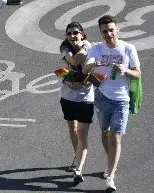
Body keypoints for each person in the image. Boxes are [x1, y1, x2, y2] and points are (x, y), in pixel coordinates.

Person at [85, 15, 142, 193]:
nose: (108, 34)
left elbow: (138, 73)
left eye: (111, 30)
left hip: (121, 100)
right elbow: (85, 69)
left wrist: (125, 70)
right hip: (102, 98)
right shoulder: (96, 49)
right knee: (105, 134)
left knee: (115, 136)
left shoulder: (128, 48)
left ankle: (110, 176)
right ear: (101, 33)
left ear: (117, 29)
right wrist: (92, 64)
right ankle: (112, 162)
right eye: (104, 31)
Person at [58, 22, 94, 185]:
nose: (72, 36)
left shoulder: (90, 47)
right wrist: (81, 47)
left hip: (85, 95)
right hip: (67, 93)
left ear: (82, 33)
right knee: (71, 127)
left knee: (82, 131)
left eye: (75, 33)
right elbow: (73, 60)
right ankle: (77, 156)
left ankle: (79, 163)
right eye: (69, 34)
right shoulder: (65, 47)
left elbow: (78, 59)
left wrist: (84, 47)